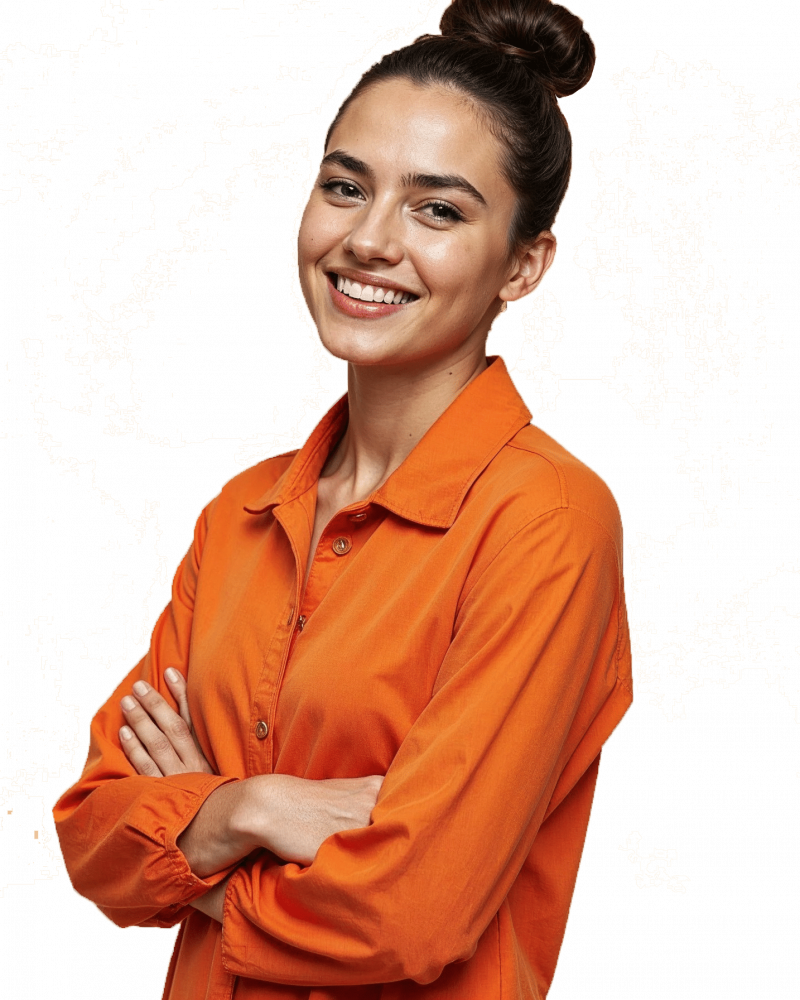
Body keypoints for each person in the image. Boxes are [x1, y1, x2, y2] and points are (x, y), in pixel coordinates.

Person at [52, 1, 633, 996]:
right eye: (344, 186)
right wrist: (251, 806)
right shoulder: (238, 514)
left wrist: (193, 834)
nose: (368, 240)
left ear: (525, 263)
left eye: (437, 209)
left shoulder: (545, 518)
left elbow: (406, 917)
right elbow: (93, 834)